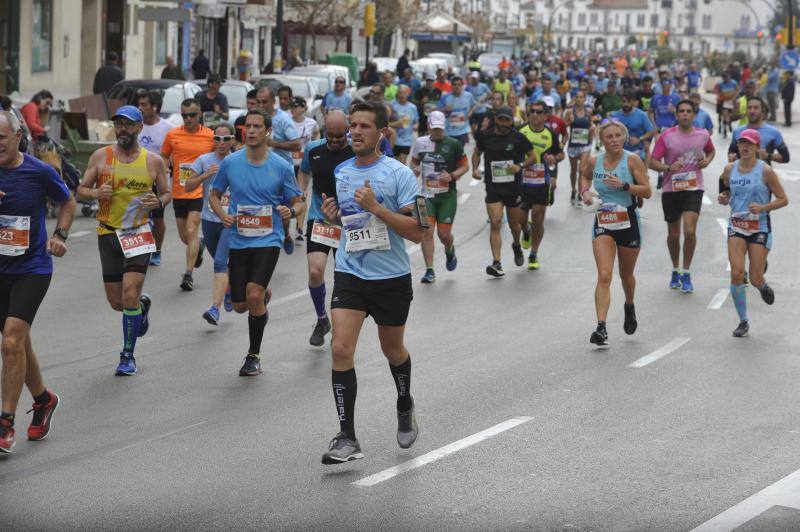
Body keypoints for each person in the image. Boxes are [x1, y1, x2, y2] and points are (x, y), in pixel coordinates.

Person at [318, 100, 424, 464]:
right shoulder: (343, 171)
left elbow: (419, 233)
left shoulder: (400, 175)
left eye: (364, 126)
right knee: (340, 349)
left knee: (393, 350)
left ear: (382, 133)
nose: (356, 132)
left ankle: (405, 403)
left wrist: (377, 207)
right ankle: (346, 437)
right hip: (351, 271)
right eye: (353, 125)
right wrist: (335, 217)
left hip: (391, 277)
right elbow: (350, 223)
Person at [0, 110, 75, 453]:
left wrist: (59, 234)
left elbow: (67, 201)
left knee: (12, 343)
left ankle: (5, 424)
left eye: (2, 137)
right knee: (19, 343)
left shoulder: (38, 171)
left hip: (32, 268)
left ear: (17, 137)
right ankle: (43, 400)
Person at [209, 110, 304, 376]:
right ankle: (262, 297)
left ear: (267, 131)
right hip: (239, 239)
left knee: (252, 293)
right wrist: (222, 215)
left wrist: (292, 212)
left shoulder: (282, 167)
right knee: (240, 306)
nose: (250, 131)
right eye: (247, 126)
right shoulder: (231, 162)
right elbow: (214, 195)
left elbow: (298, 201)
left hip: (269, 238)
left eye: (256, 126)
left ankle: (253, 355)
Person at [76, 106, 170, 375]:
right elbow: (81, 190)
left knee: (129, 294)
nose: (122, 130)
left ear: (140, 128)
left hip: (139, 233)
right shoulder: (101, 157)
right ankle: (142, 306)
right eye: (118, 125)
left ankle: (127, 355)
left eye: (128, 125)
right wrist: (95, 193)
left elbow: (167, 193)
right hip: (108, 233)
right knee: (117, 302)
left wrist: (158, 201)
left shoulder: (153, 162)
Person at [579, 120, 651, 346]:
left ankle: (629, 306)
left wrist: (625, 186)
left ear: (624, 137)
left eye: (618, 135)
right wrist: (585, 192)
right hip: (604, 220)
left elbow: (647, 191)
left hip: (628, 220)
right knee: (604, 275)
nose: (614, 140)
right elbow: (585, 175)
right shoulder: (594, 161)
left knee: (626, 275)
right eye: (609, 136)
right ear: (602, 140)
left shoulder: (632, 160)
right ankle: (601, 327)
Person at [718, 129, 788, 338]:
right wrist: (723, 197)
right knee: (737, 273)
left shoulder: (765, 171)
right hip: (737, 226)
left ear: (757, 147)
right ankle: (743, 321)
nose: (745, 147)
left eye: (749, 144)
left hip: (760, 228)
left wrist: (764, 207)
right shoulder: (730, 169)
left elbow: (783, 199)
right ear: (738, 146)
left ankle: (762, 286)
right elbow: (725, 191)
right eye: (741, 143)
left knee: (755, 277)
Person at [297, 111, 354, 346]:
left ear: (348, 131)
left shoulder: (355, 151)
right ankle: (322, 319)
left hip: (349, 221)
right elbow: (304, 171)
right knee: (315, 272)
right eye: (330, 136)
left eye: (340, 136)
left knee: (342, 277)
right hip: (320, 219)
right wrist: (301, 192)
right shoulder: (314, 149)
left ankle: (340, 327)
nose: (334, 141)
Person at [648, 100, 715, 293]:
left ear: (694, 115)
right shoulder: (667, 136)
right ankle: (675, 269)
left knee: (690, 231)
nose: (685, 114)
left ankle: (686, 272)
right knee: (673, 235)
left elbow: (711, 151)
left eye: (688, 111)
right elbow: (652, 162)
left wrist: (707, 161)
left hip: (694, 188)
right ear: (676, 115)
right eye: (681, 111)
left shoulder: (702, 135)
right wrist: (668, 167)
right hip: (671, 189)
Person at [472, 106, 536, 277]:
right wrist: (475, 169)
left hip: (513, 188)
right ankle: (497, 263)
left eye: (507, 120)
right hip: (493, 187)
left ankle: (516, 244)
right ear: (496, 120)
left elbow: (533, 157)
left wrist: (520, 166)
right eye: (501, 119)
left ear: (511, 121)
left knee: (515, 225)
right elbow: (476, 153)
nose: (504, 123)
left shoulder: (518, 138)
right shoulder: (487, 137)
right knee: (496, 222)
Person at [184, 123, 235, 326]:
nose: (221, 143)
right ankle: (229, 288)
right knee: (222, 262)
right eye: (217, 139)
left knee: (220, 263)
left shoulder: (238, 160)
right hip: (209, 220)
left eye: (226, 138)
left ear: (232, 140)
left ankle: (215, 309)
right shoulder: (204, 160)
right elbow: (187, 186)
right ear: (212, 140)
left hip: (231, 221)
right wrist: (205, 176)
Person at [161, 98, 215, 291]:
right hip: (179, 191)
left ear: (200, 114)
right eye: (184, 115)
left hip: (200, 192)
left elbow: (218, 157)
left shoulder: (209, 135)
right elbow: (164, 156)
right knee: (186, 238)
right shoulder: (173, 134)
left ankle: (188, 274)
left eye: (192, 115)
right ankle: (199, 246)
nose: (188, 119)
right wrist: (164, 171)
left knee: (192, 230)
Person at [410, 111, 468, 283]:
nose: (437, 132)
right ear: (428, 126)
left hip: (446, 195)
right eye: (434, 129)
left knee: (444, 234)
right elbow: (413, 162)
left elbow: (465, 166)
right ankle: (430, 270)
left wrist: (452, 175)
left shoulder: (454, 144)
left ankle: (449, 249)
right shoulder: (420, 143)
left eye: (440, 129)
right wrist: (416, 169)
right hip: (425, 195)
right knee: (426, 232)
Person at [255, 86, 302, 253]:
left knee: (282, 210)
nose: (261, 105)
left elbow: (297, 143)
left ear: (273, 102)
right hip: (259, 170)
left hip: (281, 172)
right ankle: (263, 238)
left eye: (265, 102)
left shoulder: (283, 120)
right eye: (258, 102)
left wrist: (274, 144)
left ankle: (285, 233)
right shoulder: (255, 119)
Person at [518, 100, 565, 270]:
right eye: (532, 111)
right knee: (520, 219)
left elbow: (561, 153)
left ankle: (533, 254)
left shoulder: (550, 134)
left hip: (541, 182)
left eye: (539, 112)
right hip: (522, 181)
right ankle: (526, 231)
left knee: (538, 217)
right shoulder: (520, 131)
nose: (535, 115)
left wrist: (555, 158)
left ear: (546, 116)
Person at [137, 90, 174, 266]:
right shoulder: (135, 125)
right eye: (139, 104)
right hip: (137, 179)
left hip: (158, 181)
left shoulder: (167, 129)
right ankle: (140, 250)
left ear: (155, 107)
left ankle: (157, 251)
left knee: (158, 219)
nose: (140, 108)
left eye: (144, 104)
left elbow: (172, 155)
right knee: (138, 217)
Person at [289, 96, 319, 240]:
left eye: (296, 106)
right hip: (288, 164)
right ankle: (285, 227)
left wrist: (314, 146)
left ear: (303, 108)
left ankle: (299, 228)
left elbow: (317, 133)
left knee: (302, 195)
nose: (293, 109)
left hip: (304, 165)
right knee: (289, 196)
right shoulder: (286, 122)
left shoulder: (311, 123)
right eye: (291, 107)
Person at [563, 91, 595, 206]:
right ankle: (573, 190)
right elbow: (564, 126)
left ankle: (581, 192)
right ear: (574, 99)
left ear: (585, 99)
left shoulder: (589, 111)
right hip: (573, 145)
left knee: (581, 169)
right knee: (573, 170)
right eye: (577, 97)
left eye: (582, 97)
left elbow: (591, 124)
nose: (579, 99)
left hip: (585, 145)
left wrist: (592, 128)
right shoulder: (570, 112)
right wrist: (568, 122)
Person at [611, 91, 655, 161]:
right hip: (619, 151)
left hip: (637, 151)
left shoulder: (642, 115)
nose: (626, 104)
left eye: (629, 101)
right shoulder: (615, 115)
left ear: (633, 102)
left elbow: (651, 131)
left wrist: (639, 139)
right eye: (623, 101)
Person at [437, 76, 476, 146]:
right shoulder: (446, 96)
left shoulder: (468, 96)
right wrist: (445, 109)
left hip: (462, 130)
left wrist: (469, 114)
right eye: (454, 84)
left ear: (462, 86)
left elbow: (474, 106)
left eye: (459, 85)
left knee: (459, 153)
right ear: (451, 86)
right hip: (448, 131)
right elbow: (437, 110)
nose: (457, 87)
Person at [390, 86, 418, 164]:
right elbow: (387, 119)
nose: (402, 94)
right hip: (394, 138)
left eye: (404, 92)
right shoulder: (392, 104)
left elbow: (416, 121)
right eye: (400, 92)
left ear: (408, 94)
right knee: (393, 163)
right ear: (397, 94)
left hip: (407, 140)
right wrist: (396, 124)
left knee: (402, 163)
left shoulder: (412, 107)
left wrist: (416, 125)